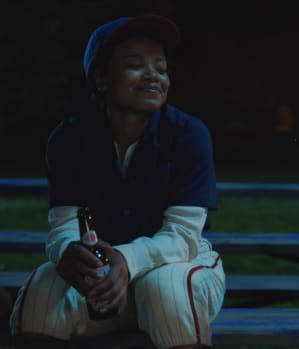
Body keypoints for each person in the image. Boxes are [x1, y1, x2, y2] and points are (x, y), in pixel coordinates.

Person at [10, 14, 224, 349]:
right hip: (103, 275)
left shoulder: (187, 134)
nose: (154, 75)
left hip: (180, 264)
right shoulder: (69, 138)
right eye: (135, 64)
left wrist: (126, 260)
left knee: (164, 286)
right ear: (100, 79)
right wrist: (70, 253)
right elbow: (65, 225)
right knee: (41, 290)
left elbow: (183, 237)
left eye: (161, 67)